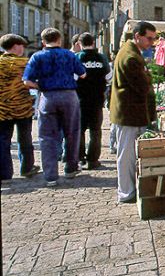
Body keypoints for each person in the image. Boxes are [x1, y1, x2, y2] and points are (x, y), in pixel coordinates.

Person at [23, 28, 86, 187]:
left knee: (47, 136)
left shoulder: (37, 56)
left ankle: (51, 176)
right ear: (60, 40)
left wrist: (39, 86)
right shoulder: (69, 55)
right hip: (69, 95)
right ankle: (70, 168)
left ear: (43, 42)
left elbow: (27, 81)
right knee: (72, 133)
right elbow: (83, 74)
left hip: (48, 96)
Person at [110, 21, 157, 203]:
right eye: (149, 38)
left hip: (130, 112)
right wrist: (148, 78)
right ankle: (126, 192)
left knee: (128, 153)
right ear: (137, 36)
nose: (152, 42)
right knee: (127, 155)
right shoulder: (130, 57)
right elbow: (142, 85)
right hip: (129, 112)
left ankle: (128, 190)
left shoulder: (131, 52)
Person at [0, 34, 40, 181]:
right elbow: (33, 81)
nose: (23, 48)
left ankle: (4, 173)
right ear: (15, 46)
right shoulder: (25, 63)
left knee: (3, 141)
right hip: (22, 107)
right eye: (22, 45)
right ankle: (27, 168)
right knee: (25, 139)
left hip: (2, 109)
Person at [76, 33, 110, 169]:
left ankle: (80, 158)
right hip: (97, 99)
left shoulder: (77, 58)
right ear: (93, 43)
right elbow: (109, 77)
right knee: (95, 131)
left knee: (80, 130)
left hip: (80, 99)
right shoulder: (101, 58)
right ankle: (93, 159)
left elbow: (72, 78)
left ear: (80, 44)